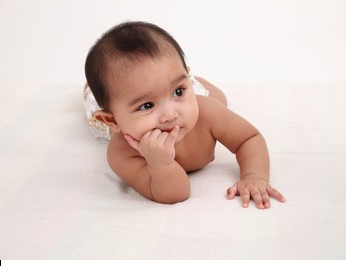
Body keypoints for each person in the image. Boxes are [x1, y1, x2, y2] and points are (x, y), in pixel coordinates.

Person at [84, 21, 285, 209]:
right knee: (92, 97)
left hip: (196, 96)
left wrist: (254, 176)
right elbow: (175, 194)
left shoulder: (206, 112)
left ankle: (188, 83)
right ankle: (91, 92)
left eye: (179, 91)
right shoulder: (122, 152)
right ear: (112, 120)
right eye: (146, 105)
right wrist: (160, 164)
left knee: (217, 99)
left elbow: (249, 138)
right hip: (110, 119)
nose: (170, 115)